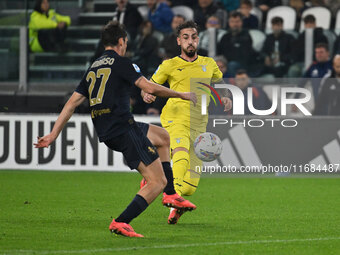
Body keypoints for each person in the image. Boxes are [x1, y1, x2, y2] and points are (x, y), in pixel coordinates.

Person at [34, 21, 197, 238]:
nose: (125, 46)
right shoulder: (121, 63)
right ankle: (121, 221)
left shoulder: (94, 66)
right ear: (121, 42)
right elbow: (148, 87)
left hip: (110, 128)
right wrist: (182, 94)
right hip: (123, 128)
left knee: (163, 137)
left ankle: (170, 196)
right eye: (125, 43)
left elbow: (72, 103)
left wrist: (54, 134)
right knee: (157, 181)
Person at [141, 21, 232, 224]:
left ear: (198, 39)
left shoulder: (209, 63)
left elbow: (220, 83)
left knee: (190, 186)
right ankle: (171, 199)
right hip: (175, 119)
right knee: (180, 156)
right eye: (185, 38)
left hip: (200, 124)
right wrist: (146, 94)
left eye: (193, 37)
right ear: (178, 41)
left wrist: (225, 96)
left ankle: (174, 203)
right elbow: (148, 85)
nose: (190, 41)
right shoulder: (169, 65)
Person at [217, 11, 253, 76]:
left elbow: (245, 56)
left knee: (232, 65)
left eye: (237, 21)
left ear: (241, 22)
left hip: (241, 65)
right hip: (225, 63)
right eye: (232, 21)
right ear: (229, 23)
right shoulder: (225, 36)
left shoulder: (246, 36)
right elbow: (220, 52)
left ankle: (232, 84)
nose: (235, 24)